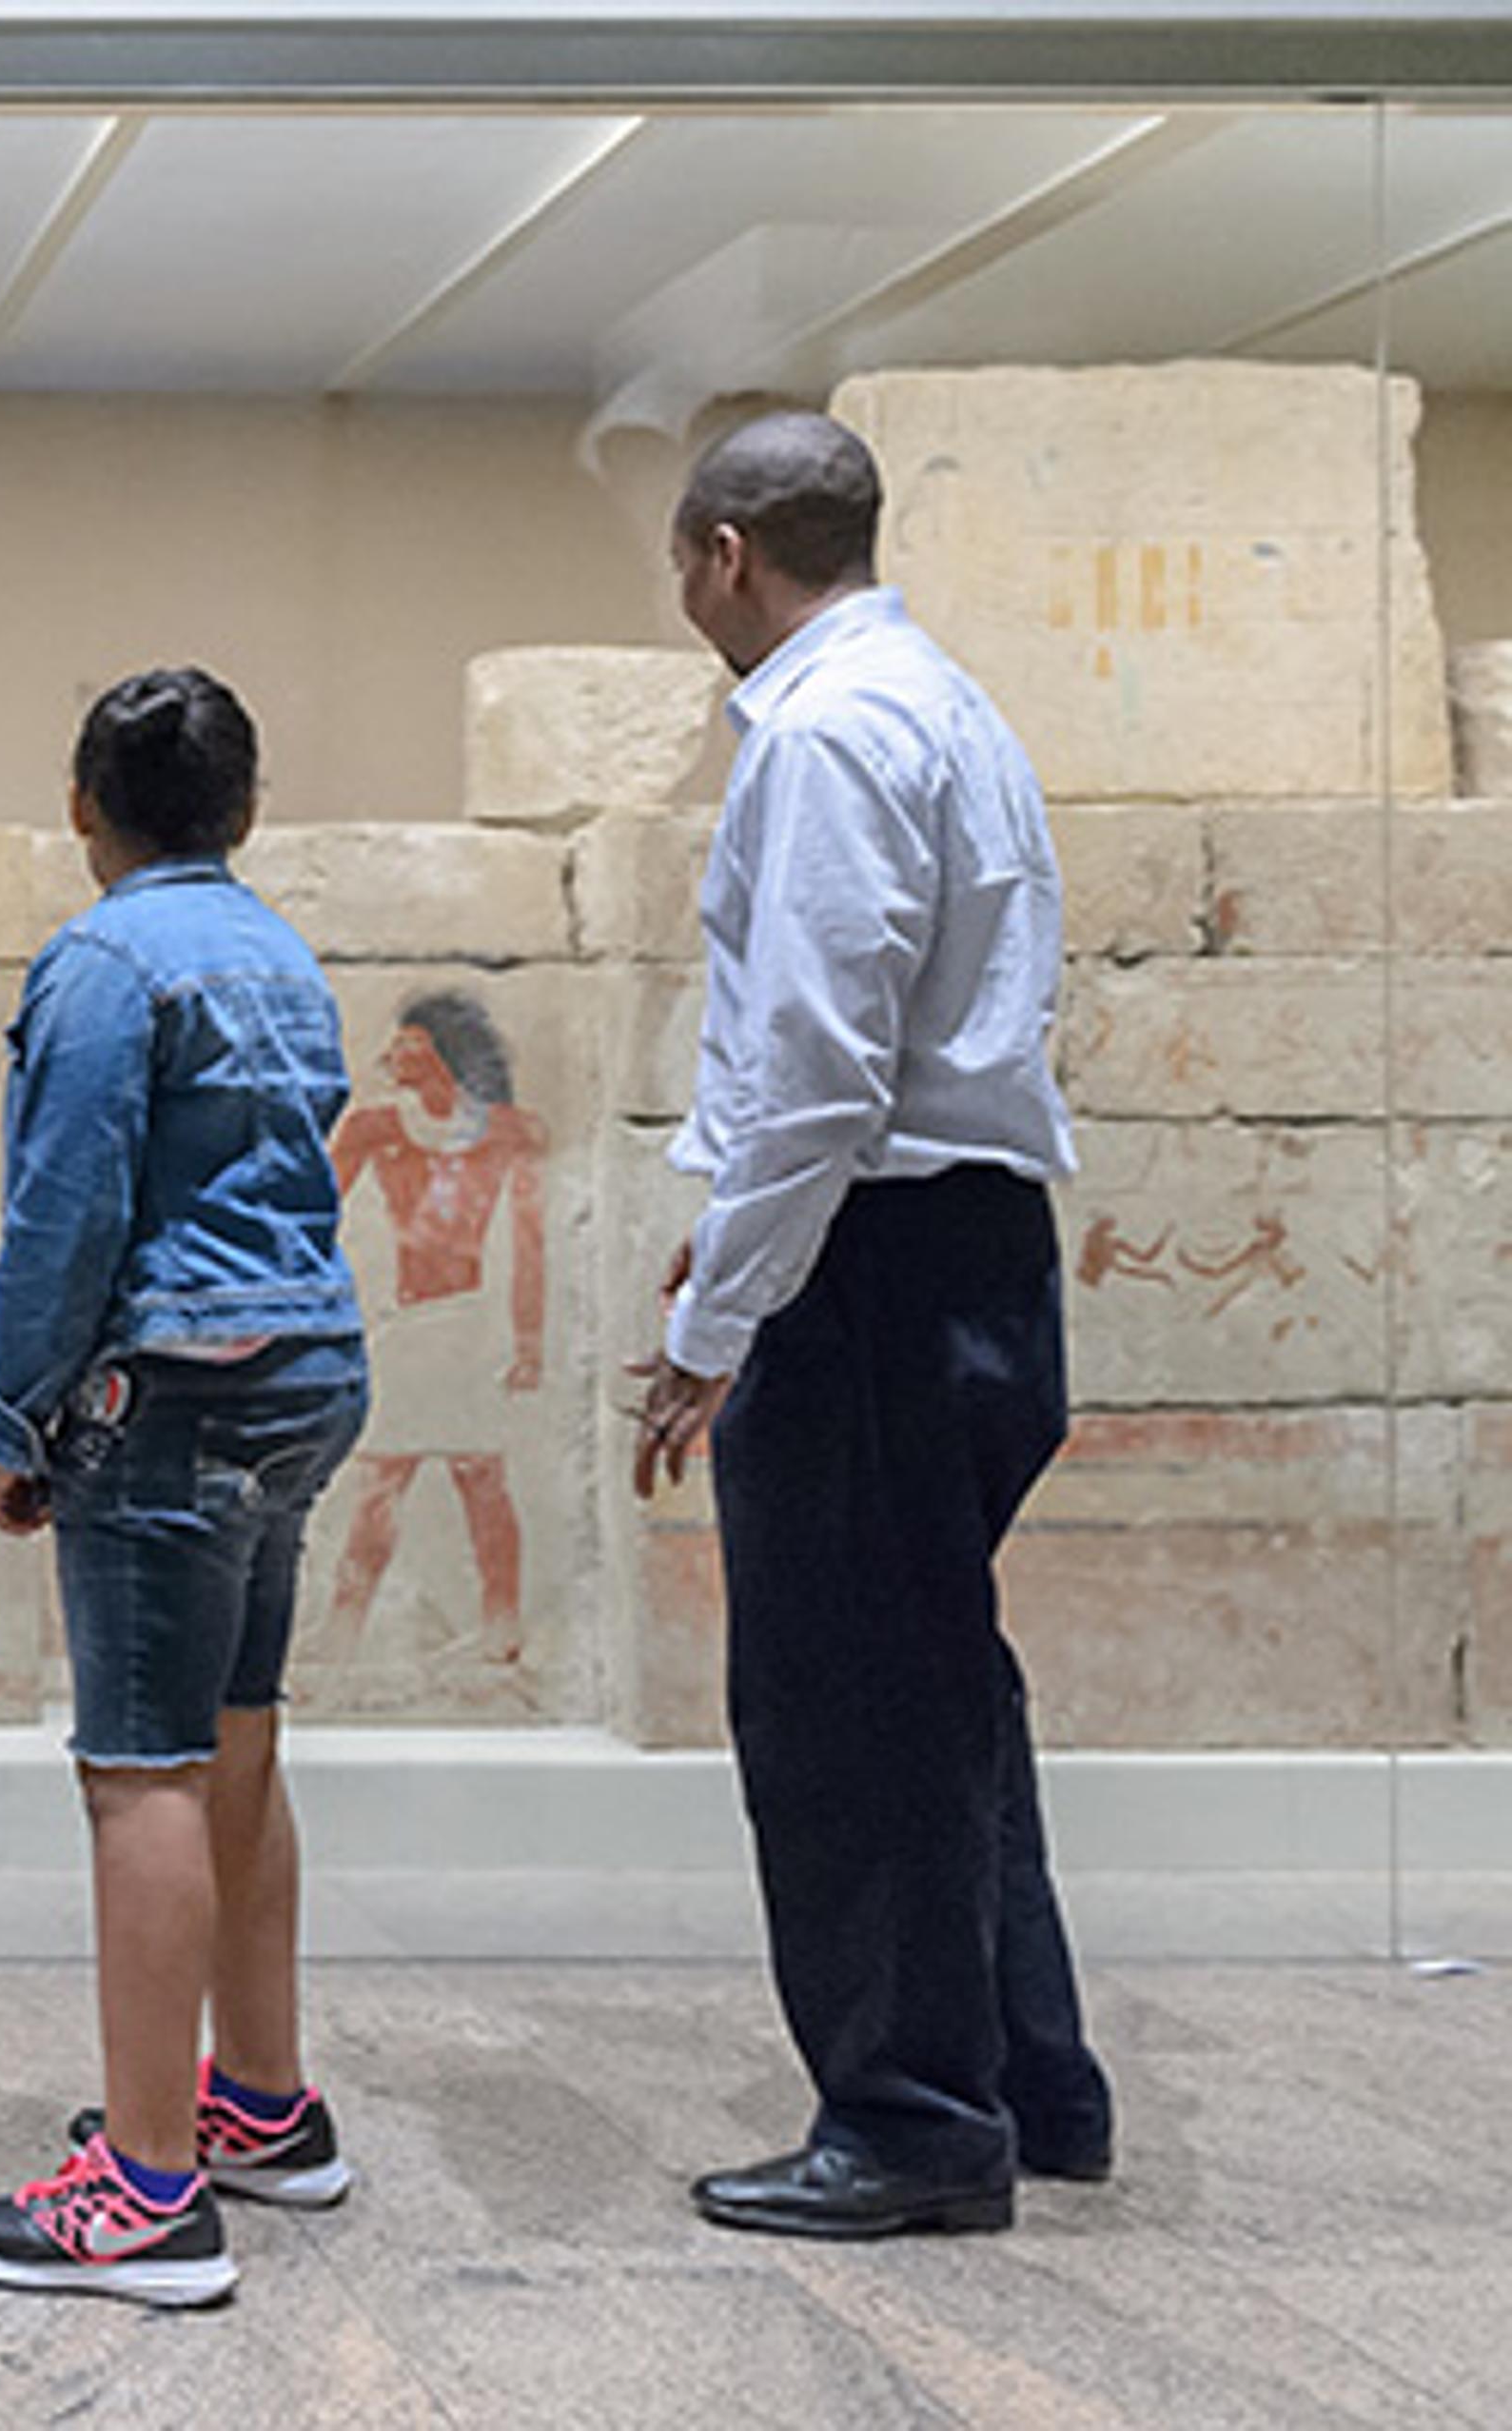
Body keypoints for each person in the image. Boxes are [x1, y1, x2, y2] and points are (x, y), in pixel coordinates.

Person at [634, 409, 1113, 2241]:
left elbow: (818, 1069)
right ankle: (1027, 2075)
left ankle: (913, 2115)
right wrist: (730, 1258)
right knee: (942, 1683)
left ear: (727, 554)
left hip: (874, 1272)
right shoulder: (945, 703)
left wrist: (722, 1314)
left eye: (681, 565)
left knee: (846, 1708)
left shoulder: (828, 734)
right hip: (960, 1249)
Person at [0, 670, 369, 2309]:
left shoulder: (105, 959)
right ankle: (262, 2099)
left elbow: (65, 1210)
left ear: (81, 805)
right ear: (245, 811)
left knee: (143, 1775)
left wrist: (12, 1415)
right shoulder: (277, 951)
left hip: (169, 1391)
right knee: (239, 1740)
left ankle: (141, 2191)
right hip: (307, 1371)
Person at [321, 990, 548, 1667]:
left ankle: (502, 1622)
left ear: (443, 1053)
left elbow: (532, 1243)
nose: (392, 1055)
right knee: (381, 1484)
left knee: (481, 1480)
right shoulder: (371, 1128)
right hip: (408, 1327)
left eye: (409, 1043)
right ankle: (344, 1629)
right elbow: (314, 1221)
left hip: (471, 1330)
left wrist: (528, 1342)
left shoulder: (511, 1131)